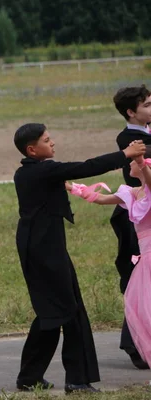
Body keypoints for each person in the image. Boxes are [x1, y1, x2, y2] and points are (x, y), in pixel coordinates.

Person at [12, 123, 146, 394]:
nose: (53, 143)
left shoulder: (28, 172)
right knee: (69, 311)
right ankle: (76, 380)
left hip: (41, 247)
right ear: (32, 149)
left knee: (52, 312)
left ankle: (29, 377)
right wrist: (125, 153)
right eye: (47, 140)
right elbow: (87, 166)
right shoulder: (44, 170)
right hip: (44, 250)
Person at [69, 155, 151, 372]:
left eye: (133, 162)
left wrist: (141, 162)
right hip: (145, 260)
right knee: (143, 310)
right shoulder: (133, 192)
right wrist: (71, 187)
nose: (129, 164)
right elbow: (100, 199)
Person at [110, 85, 151, 369]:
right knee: (138, 281)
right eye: (147, 105)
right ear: (131, 112)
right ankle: (134, 343)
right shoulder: (130, 139)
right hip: (136, 216)